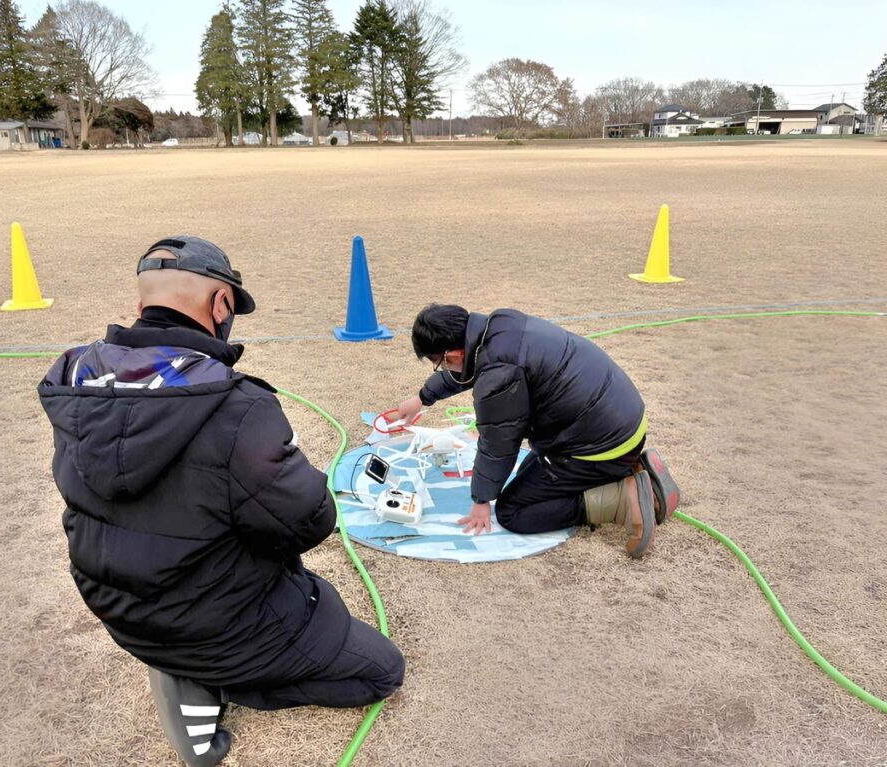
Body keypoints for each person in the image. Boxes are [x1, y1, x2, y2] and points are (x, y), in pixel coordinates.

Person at [38, 236, 404, 766]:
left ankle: (184, 662)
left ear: (142, 305)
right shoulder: (237, 406)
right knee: (381, 671)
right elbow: (307, 522)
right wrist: (295, 470)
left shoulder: (76, 381)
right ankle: (205, 679)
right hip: (215, 621)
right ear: (220, 305)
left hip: (117, 606)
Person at [394, 304, 680, 559]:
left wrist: (481, 501)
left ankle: (623, 498)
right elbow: (472, 369)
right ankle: (626, 467)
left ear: (455, 353)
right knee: (526, 473)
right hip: (621, 425)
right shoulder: (499, 326)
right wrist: (421, 398)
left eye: (440, 363)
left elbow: (498, 445)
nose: (442, 368)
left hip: (599, 447)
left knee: (514, 511)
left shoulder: (497, 374)